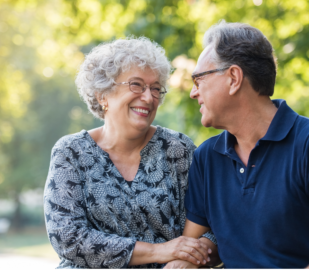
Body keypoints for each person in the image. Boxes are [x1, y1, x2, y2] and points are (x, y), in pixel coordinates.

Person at [166, 21, 309, 268]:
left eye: (199, 80)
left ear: (233, 78)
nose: (193, 92)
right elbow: (195, 246)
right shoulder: (207, 158)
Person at [43, 37, 218, 268]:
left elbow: (217, 224)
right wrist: (161, 251)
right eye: (136, 85)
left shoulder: (179, 149)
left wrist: (189, 260)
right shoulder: (70, 152)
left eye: (155, 88)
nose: (148, 97)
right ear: (102, 94)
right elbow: (68, 238)